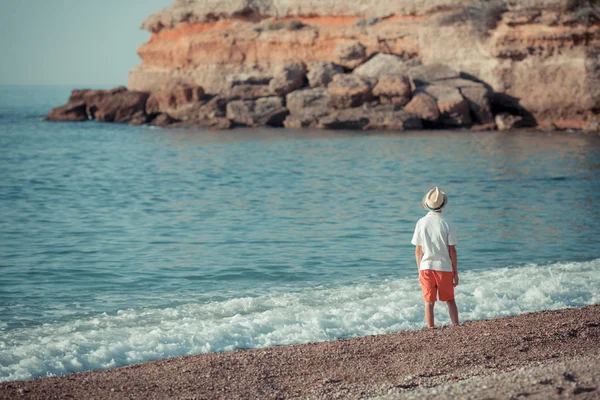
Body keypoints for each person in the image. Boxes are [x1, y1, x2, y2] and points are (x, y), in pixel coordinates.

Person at [411, 187, 459, 328]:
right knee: (450, 299)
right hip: (444, 267)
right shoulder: (446, 222)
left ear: (427, 204)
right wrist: (455, 271)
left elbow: (418, 250)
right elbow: (452, 249)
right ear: (443, 204)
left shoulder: (421, 222)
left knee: (429, 302)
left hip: (426, 267)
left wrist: (420, 270)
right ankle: (455, 325)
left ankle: (430, 328)